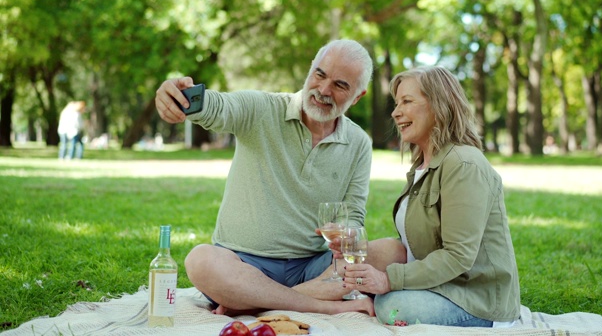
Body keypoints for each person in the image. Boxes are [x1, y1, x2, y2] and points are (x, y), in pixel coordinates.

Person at [154, 39, 378, 316]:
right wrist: (183, 98)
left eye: (340, 85)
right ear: (310, 70)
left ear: (357, 96)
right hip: (243, 264)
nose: (323, 90)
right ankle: (319, 304)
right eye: (319, 75)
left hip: (311, 269)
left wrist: (345, 234)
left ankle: (256, 302)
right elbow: (220, 107)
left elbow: (354, 215)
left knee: (391, 252)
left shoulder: (358, 143)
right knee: (200, 260)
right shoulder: (263, 109)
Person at [340, 66, 521, 327]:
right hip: (440, 286)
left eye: (407, 101)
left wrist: (388, 280)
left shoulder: (463, 164)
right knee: (358, 269)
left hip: (476, 301)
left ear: (439, 105)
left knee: (391, 306)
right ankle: (296, 297)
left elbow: (458, 255)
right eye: (396, 103)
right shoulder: (423, 166)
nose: (395, 112)